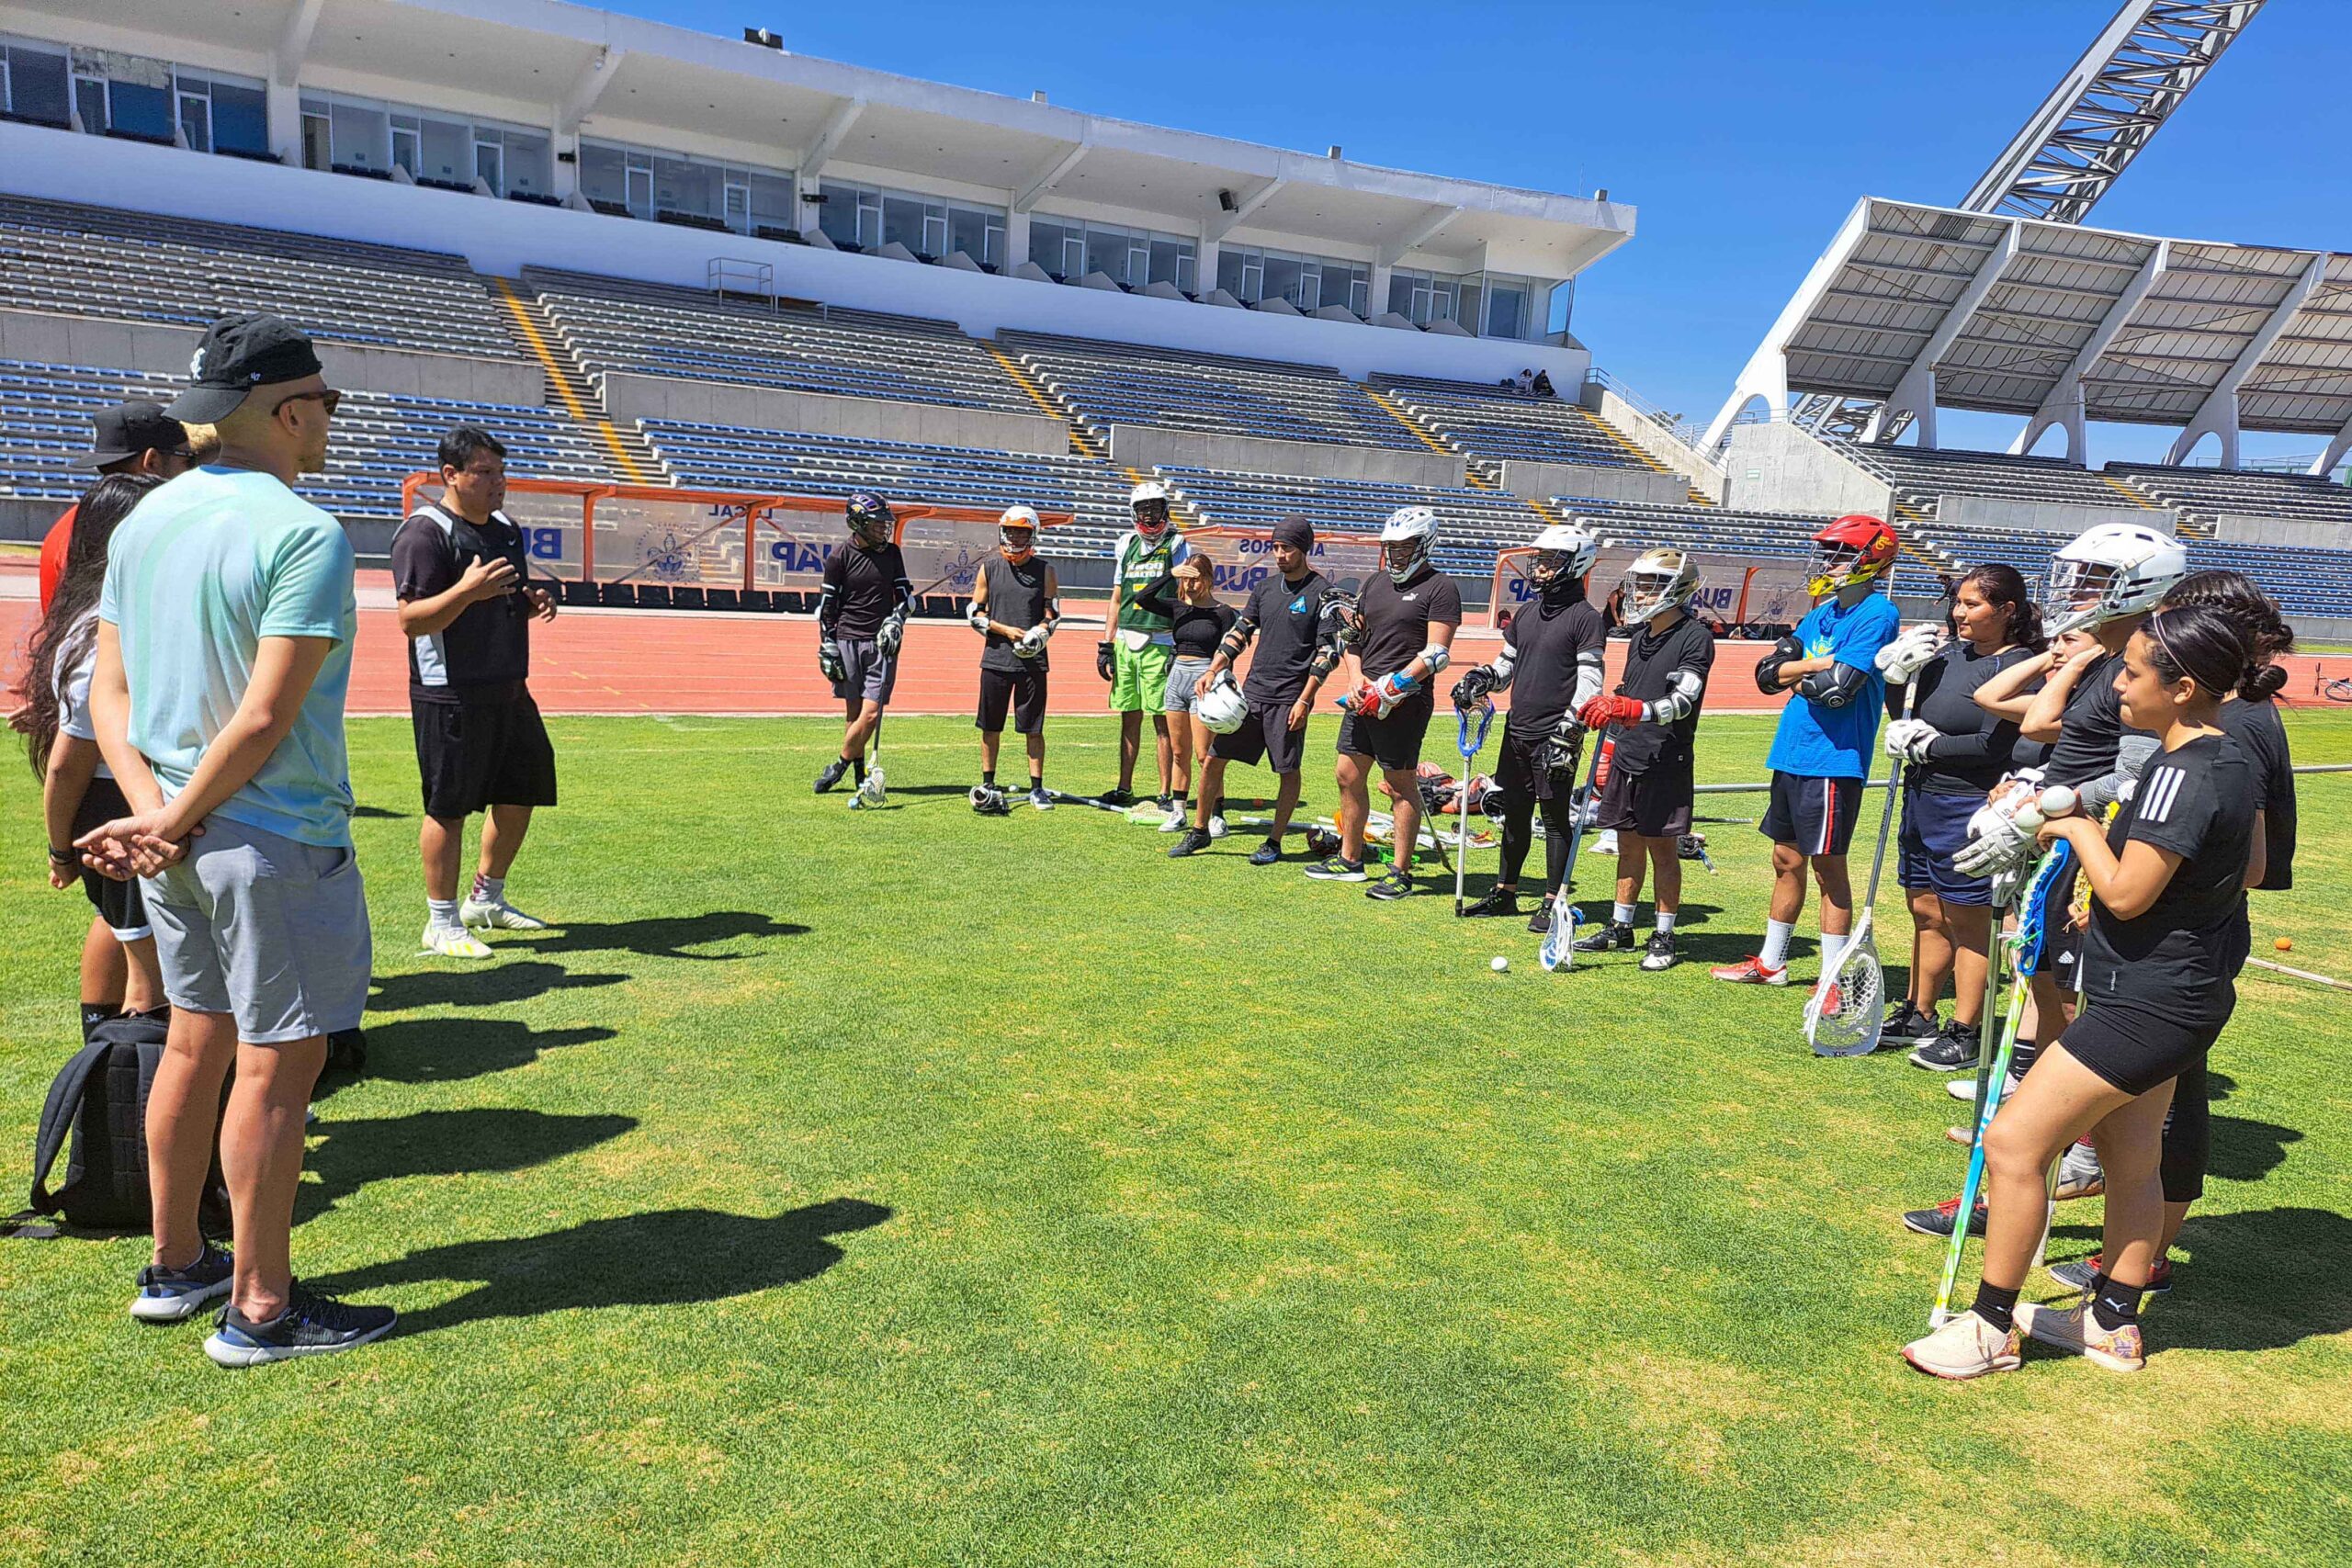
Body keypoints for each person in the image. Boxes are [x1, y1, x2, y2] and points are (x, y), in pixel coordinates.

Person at [75, 312, 394, 1363]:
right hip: (267, 835)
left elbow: (107, 692)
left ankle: (177, 1264)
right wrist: (170, 816)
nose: (329, 422)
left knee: (195, 1038)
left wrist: (149, 810)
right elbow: (262, 717)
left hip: (173, 833)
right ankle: (262, 1309)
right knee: (274, 1066)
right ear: (286, 408)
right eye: (325, 404)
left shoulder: (145, 521)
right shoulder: (303, 532)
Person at [1902, 603, 2260, 1378]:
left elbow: (2131, 893)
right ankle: (2112, 1322)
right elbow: (2244, 863)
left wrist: (2075, 833)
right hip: (2179, 989)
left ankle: (1991, 1326)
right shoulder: (2234, 757)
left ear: (2184, 686)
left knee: (2014, 1142)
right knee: (2133, 1156)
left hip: (2150, 1001)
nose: (2121, 685)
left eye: (2133, 673)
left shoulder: (2181, 769)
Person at [1899, 527, 2186, 1246]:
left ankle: (2060, 1156)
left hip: (2099, 860)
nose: (2073, 591)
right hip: (2063, 849)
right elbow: (2058, 738)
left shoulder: (2148, 657)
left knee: (2075, 1007)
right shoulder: (2101, 653)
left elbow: (2138, 773)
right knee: (2040, 995)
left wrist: (2047, 808)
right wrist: (2032, 788)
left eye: (2093, 578)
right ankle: (2024, 1157)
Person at [2047, 570, 2295, 1298]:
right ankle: (2128, 1264)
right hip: (2174, 936)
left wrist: (2112, 864)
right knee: (2148, 1111)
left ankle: (2141, 1261)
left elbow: (2246, 861)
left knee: (2170, 1104)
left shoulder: (2229, 728)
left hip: (2176, 954)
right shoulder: (2227, 719)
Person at [390, 425, 560, 960]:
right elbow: (410, 620)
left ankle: (485, 899)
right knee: (449, 806)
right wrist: (465, 591)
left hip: (509, 684)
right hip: (451, 692)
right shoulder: (425, 532)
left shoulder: (507, 528)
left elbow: (502, 597)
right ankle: (439, 922)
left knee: (522, 789)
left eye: (501, 473)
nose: (497, 483)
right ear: (451, 475)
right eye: (484, 473)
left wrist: (531, 602)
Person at [1712, 514, 1902, 987]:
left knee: (1828, 868)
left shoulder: (1878, 614)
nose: (1831, 561)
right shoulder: (1822, 613)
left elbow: (1838, 690)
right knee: (1785, 860)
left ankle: (1835, 978)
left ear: (1872, 557)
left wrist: (1796, 674)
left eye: (1841, 552)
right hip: (1792, 753)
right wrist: (1814, 666)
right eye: (1830, 552)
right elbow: (1765, 673)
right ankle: (1772, 962)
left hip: (1833, 758)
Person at [1878, 564, 2044, 1069]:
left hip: (1971, 805)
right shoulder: (1949, 653)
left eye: (1973, 604)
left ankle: (1966, 1029)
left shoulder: (2021, 664)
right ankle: (1919, 1012)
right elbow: (1905, 719)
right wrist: (1895, 679)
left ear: (2008, 610)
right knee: (1925, 911)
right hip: (1922, 796)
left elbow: (1994, 745)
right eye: (1958, 602)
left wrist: (1932, 748)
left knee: (1967, 921)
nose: (1958, 612)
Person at [23, 473, 169, 1036]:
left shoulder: (94, 620)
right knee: (152, 985)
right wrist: (61, 850)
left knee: (125, 937)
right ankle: (128, 1084)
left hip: (122, 816)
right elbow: (67, 763)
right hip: (122, 818)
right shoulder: (104, 634)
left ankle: (110, 1059)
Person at [1453, 523, 1607, 930]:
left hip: (1555, 734)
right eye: (1537, 561)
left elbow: (1591, 681)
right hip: (1517, 730)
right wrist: (1481, 679)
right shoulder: (1527, 613)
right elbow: (1506, 665)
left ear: (1575, 565)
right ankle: (1505, 893)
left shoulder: (1585, 619)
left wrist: (1570, 727)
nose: (1538, 569)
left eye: (1549, 561)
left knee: (1555, 818)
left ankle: (1552, 901)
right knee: (1515, 814)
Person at [1306, 506, 1462, 900]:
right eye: (1390, 547)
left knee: (1399, 785)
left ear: (1425, 545)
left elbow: (1437, 653)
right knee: (1347, 773)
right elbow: (1352, 637)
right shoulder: (1374, 583)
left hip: (1404, 702)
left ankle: (1400, 872)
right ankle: (1350, 858)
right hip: (1363, 697)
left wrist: (1392, 687)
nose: (1395, 555)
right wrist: (1356, 680)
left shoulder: (1441, 587)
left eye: (1405, 547)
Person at [1571, 547, 1714, 970]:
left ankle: (1664, 933)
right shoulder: (1640, 635)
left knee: (1663, 850)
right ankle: (1621, 925)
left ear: (1677, 589)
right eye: (1640, 584)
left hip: (1664, 757)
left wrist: (1632, 710)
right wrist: (1612, 706)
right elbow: (1631, 691)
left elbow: (1684, 699)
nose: (1641, 593)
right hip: (1629, 752)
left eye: (1652, 585)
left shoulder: (1695, 636)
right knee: (1626, 844)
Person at [1168, 514, 1337, 863]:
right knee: (1213, 760)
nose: (1279, 554)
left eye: (1286, 548)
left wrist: (1305, 700)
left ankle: (1273, 842)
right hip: (1253, 695)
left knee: (1287, 771)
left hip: (1289, 700)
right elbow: (1240, 632)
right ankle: (1200, 831)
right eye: (1275, 547)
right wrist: (1214, 668)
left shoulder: (1322, 593)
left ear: (1303, 548)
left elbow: (1328, 652)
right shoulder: (1264, 589)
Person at [36, 401, 196, 613]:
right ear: (152, 462)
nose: (194, 473)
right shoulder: (142, 530)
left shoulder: (67, 526)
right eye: (188, 461)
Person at [814, 491, 914, 804]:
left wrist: (896, 621)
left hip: (882, 643)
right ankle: (860, 774)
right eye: (876, 524)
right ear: (857, 524)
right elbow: (827, 607)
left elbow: (907, 599)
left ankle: (839, 765)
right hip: (847, 639)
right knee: (853, 711)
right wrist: (827, 645)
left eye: (885, 524)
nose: (883, 530)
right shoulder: (838, 558)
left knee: (871, 714)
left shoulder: (892, 554)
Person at [1098, 479, 1193, 809]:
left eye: (1155, 508)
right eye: (1143, 509)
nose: (1150, 515)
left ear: (1165, 509)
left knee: (1162, 721)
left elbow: (1184, 596)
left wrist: (1180, 642)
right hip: (1127, 641)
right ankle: (1124, 787)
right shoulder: (1125, 543)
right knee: (1129, 716)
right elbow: (1117, 596)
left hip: (1161, 640)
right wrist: (1106, 643)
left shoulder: (1177, 543)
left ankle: (1165, 793)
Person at [1127, 554, 1235, 833]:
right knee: (1178, 751)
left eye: (1195, 579)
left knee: (1204, 755)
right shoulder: (1179, 608)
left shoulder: (1223, 612)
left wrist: (1219, 681)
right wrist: (1170, 574)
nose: (1189, 585)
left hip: (1204, 680)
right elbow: (1142, 599)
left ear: (1209, 579)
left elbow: (1228, 653)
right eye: (1186, 579)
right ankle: (1178, 813)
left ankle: (1216, 814)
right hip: (1176, 678)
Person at [966, 505, 1060, 812]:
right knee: (990, 726)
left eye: (1022, 532)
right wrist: (1003, 630)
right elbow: (976, 614)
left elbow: (1053, 614)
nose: (1015, 537)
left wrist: (1039, 634)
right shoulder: (988, 568)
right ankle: (988, 782)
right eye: (1010, 531)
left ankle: (1037, 788)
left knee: (1033, 728)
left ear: (1032, 534)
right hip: (995, 660)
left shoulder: (1045, 570)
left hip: (1033, 662)